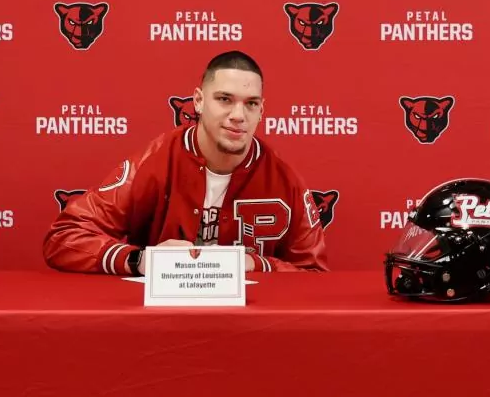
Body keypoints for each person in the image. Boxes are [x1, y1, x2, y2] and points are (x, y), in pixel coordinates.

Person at [42, 50, 329, 275]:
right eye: (225, 99)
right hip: (164, 320)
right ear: (199, 101)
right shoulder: (155, 161)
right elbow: (63, 238)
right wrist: (140, 259)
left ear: (262, 110)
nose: (238, 115)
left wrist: (257, 264)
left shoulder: (283, 179)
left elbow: (314, 273)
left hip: (247, 322)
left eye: (251, 103)